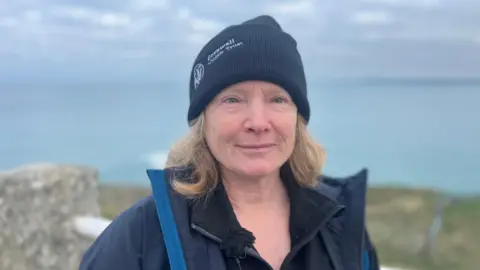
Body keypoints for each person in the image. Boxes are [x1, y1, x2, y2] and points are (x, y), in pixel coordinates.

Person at [80, 15, 380, 270]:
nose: (258, 122)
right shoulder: (143, 236)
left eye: (278, 99)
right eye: (233, 99)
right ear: (202, 121)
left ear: (297, 119)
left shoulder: (341, 225)